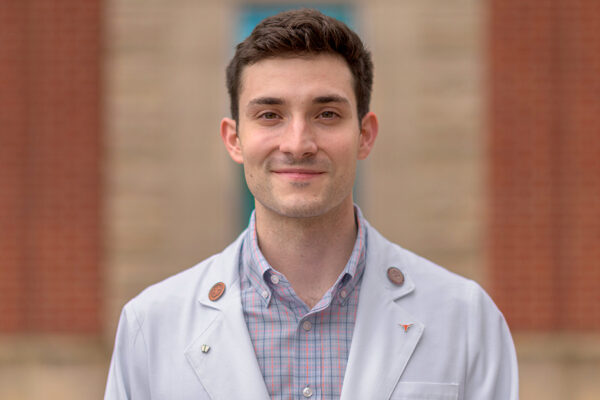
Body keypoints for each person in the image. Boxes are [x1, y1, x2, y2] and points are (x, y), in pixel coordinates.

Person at [105, 8, 518, 400]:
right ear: (234, 139)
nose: (298, 144)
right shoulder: (151, 326)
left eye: (326, 114)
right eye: (270, 115)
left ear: (365, 134)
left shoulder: (465, 319)